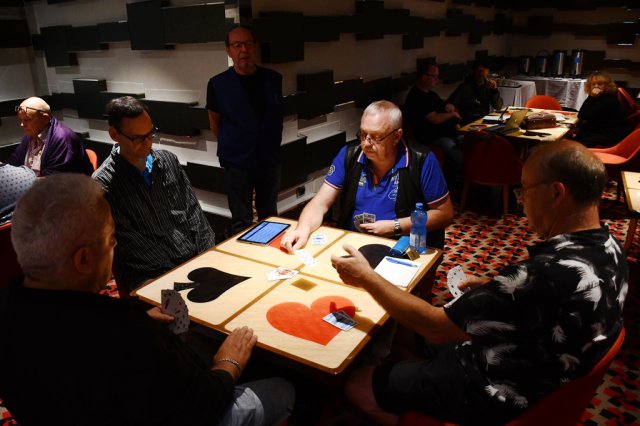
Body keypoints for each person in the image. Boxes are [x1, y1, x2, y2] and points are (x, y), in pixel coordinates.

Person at [332, 140, 627, 425]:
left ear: (556, 192)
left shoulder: (541, 275)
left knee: (357, 385)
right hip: (540, 365)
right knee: (404, 332)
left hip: (497, 387)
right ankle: (414, 382)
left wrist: (366, 277)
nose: (521, 202)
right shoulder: (609, 247)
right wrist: (495, 287)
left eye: (524, 191)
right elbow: (553, 300)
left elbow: (436, 327)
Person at [0, 173, 294, 425]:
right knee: (284, 389)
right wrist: (229, 362)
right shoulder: (127, 337)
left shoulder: (8, 308)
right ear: (84, 259)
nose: (115, 246)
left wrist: (136, 319)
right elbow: (203, 403)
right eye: (111, 239)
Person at [281, 100, 454, 252]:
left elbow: (444, 214)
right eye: (363, 134)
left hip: (402, 245)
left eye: (376, 137)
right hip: (355, 243)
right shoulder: (349, 155)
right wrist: (303, 228)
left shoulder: (421, 160)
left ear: (396, 136)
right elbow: (320, 203)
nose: (366, 143)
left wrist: (396, 226)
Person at [93, 96, 216, 291]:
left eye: (150, 134)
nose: (148, 143)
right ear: (114, 134)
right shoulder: (103, 185)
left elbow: (195, 214)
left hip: (191, 260)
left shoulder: (168, 161)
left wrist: (206, 256)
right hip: (150, 274)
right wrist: (182, 272)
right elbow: (132, 246)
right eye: (138, 138)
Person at [206, 26, 284, 234]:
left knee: (270, 215)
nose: (243, 50)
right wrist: (235, 144)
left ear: (254, 46)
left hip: (269, 160)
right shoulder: (217, 84)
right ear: (228, 50)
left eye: (248, 44)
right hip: (236, 162)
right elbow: (214, 123)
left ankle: (270, 252)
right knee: (241, 219)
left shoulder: (273, 79)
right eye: (237, 45)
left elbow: (277, 117)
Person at [8, 97, 93, 176]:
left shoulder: (63, 138)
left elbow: (53, 178)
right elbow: (13, 163)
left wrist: (23, 182)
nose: (22, 124)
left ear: (45, 118)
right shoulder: (31, 135)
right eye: (21, 120)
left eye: (27, 119)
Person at [404, 63, 463, 169]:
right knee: (461, 157)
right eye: (434, 76)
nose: (437, 79)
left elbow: (444, 109)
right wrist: (452, 114)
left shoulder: (431, 95)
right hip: (433, 138)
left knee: (475, 144)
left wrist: (450, 107)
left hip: (448, 133)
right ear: (424, 77)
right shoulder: (416, 96)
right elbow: (435, 119)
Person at [574, 72, 629, 148]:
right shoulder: (600, 97)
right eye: (593, 84)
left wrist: (591, 96)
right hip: (603, 131)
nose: (596, 86)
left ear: (606, 86)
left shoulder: (607, 99)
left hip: (609, 136)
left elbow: (582, 115)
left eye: (600, 84)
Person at [447, 60, 504, 125]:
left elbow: (498, 106)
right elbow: (451, 102)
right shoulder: (464, 87)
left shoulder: (488, 87)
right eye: (478, 70)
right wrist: (451, 108)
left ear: (487, 72)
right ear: (473, 71)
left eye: (483, 70)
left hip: (483, 120)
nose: (480, 73)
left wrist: (494, 90)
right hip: (467, 121)